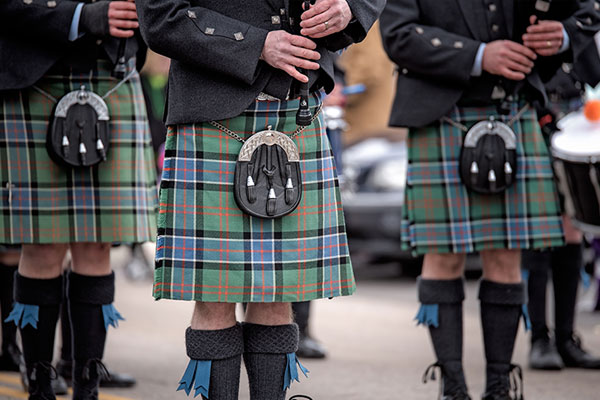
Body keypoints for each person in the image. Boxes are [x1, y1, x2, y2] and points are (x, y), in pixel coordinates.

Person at [136, 0, 384, 398]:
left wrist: (351, 9)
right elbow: (160, 15)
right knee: (215, 297)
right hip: (212, 116)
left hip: (297, 112)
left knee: (276, 295)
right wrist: (254, 44)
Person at [380, 1, 599, 399]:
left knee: (507, 254)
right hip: (441, 114)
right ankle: (454, 388)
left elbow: (587, 10)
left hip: (513, 107)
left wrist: (563, 34)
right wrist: (480, 55)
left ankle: (499, 386)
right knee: (443, 255)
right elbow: (397, 34)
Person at [0, 2, 157, 399]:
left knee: (97, 245)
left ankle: (86, 387)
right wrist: (81, 16)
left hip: (113, 78)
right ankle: (40, 386)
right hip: (34, 80)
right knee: (41, 246)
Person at [525, 48, 600, 370]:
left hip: (576, 115)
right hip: (532, 113)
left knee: (571, 230)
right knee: (540, 232)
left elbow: (594, 73)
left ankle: (565, 339)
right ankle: (539, 339)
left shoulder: (577, 13)